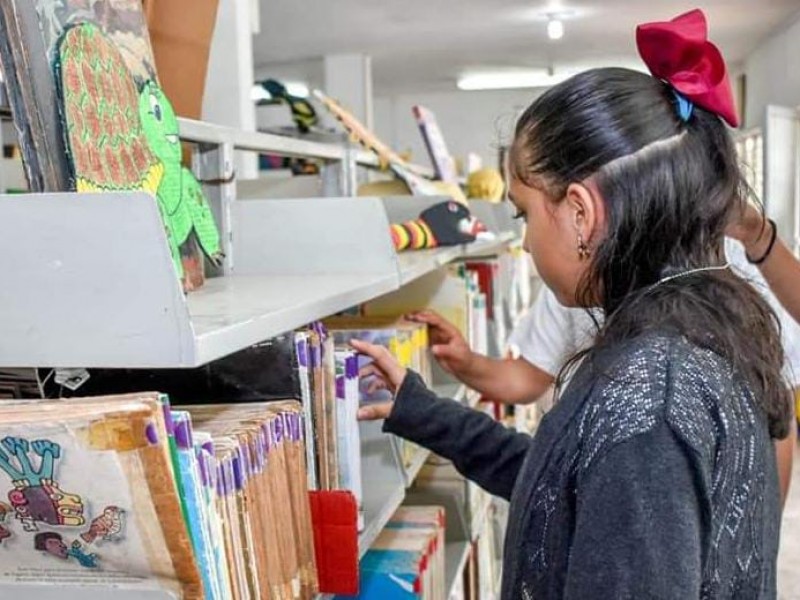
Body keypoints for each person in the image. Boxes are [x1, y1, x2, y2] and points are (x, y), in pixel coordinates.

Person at [353, 10, 791, 598]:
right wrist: (424, 412)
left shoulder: (650, 395)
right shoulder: (709, 318)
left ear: (581, 213)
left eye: (524, 214)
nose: (526, 239)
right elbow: (568, 490)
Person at [407, 228, 800, 506]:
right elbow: (526, 378)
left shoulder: (731, 266)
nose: (526, 242)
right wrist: (467, 361)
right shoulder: (571, 276)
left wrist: (759, 538)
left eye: (527, 214)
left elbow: (773, 418)